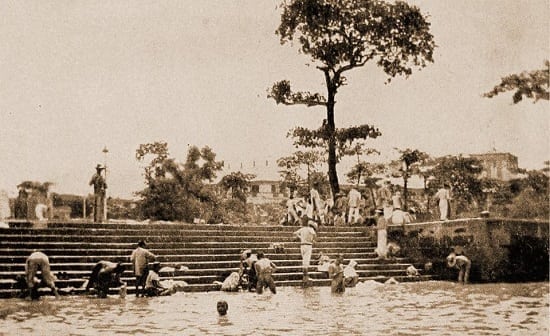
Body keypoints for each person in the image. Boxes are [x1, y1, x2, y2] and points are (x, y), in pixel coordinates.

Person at [293, 220, 317, 286]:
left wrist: (301, 238)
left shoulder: (302, 229)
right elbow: (315, 235)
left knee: (304, 262)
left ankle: (305, 277)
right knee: (306, 263)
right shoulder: (311, 229)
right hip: (308, 245)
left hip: (302, 245)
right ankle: (305, 278)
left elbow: (295, 233)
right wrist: (313, 240)